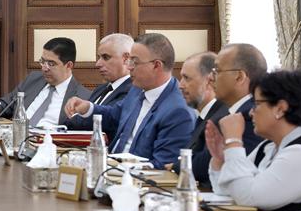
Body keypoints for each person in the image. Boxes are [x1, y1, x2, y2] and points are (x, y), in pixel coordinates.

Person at [206, 70, 301, 211]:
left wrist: (234, 141)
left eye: (257, 104)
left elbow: (247, 197)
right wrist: (221, 159)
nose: (250, 112)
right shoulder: (269, 146)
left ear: (280, 109)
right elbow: (229, 190)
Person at [65, 33, 195, 169]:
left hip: (135, 177)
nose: (129, 67)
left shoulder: (178, 111)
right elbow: (115, 114)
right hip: (110, 165)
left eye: (135, 62)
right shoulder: (137, 89)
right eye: (129, 61)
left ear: (156, 65)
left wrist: (119, 169)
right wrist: (87, 108)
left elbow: (163, 166)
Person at [0, 37, 91, 127]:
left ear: (69, 65)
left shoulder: (83, 97)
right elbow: (8, 103)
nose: (44, 68)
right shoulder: (33, 79)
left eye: (51, 63)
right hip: (18, 135)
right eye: (43, 61)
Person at [61, 33, 133, 135]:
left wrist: (85, 111)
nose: (98, 64)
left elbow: (109, 120)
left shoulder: (134, 90)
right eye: (99, 57)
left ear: (126, 58)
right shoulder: (101, 89)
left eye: (106, 57)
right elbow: (72, 121)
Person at [173, 51, 226, 187]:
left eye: (187, 78)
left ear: (209, 80)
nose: (180, 85)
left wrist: (176, 165)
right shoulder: (204, 115)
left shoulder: (221, 117)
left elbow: (201, 167)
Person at [207, 42, 267, 157]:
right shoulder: (231, 112)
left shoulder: (250, 118)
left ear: (239, 77)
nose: (210, 77)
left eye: (216, 71)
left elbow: (230, 162)